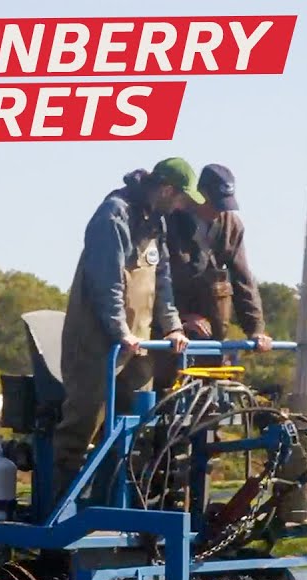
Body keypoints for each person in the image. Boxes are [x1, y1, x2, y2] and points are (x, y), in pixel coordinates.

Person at [51, 158, 203, 508]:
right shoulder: (113, 215)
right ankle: (62, 512)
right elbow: (107, 282)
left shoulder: (156, 222)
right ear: (167, 189)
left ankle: (116, 508)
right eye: (182, 198)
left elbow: (161, 279)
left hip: (139, 342)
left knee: (136, 425)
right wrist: (121, 332)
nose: (182, 206)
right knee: (84, 422)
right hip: (96, 342)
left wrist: (173, 326)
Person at [153, 163, 273, 389]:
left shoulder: (231, 226)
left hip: (213, 339)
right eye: (215, 203)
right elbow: (154, 281)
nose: (220, 211)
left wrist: (256, 329)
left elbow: (243, 280)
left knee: (213, 396)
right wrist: (180, 320)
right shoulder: (169, 221)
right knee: (164, 392)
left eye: (225, 205)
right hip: (168, 338)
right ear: (200, 195)